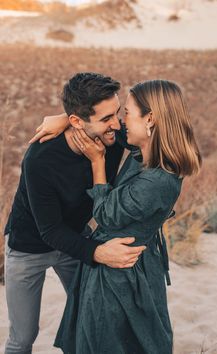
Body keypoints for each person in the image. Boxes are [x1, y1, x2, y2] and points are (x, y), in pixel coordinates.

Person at [37, 79, 202, 353]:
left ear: (149, 119)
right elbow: (101, 123)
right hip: (125, 261)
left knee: (110, 338)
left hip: (123, 269)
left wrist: (97, 162)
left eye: (126, 112)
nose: (120, 121)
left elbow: (106, 215)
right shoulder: (146, 151)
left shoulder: (158, 180)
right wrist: (67, 119)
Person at [4, 72, 146, 354]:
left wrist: (63, 115)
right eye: (106, 119)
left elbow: (153, 133)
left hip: (75, 240)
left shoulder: (112, 135)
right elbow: (50, 231)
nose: (116, 124)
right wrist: (98, 252)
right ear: (77, 122)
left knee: (87, 321)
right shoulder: (40, 159)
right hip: (28, 247)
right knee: (23, 337)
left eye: (116, 114)